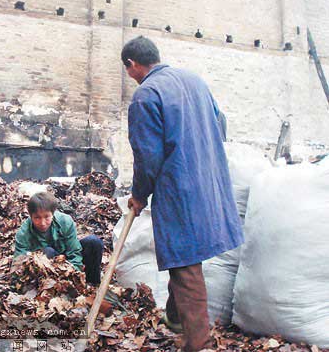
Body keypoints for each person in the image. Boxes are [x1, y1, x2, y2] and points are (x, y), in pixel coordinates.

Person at [121, 36, 243, 351]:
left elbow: (147, 156)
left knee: (185, 262)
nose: (130, 76)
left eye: (128, 70)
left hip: (179, 189)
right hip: (209, 180)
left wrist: (139, 194)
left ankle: (198, 343)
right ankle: (174, 319)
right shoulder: (194, 80)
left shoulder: (146, 95)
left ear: (132, 65)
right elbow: (221, 124)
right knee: (183, 255)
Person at [13, 192, 104, 285]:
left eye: (47, 217)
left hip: (67, 261)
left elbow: (74, 252)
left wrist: (74, 275)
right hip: (45, 273)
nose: (42, 222)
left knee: (94, 242)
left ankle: (92, 284)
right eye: (37, 218)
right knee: (47, 252)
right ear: (30, 216)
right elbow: (18, 262)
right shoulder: (24, 233)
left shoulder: (65, 222)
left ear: (53, 214)